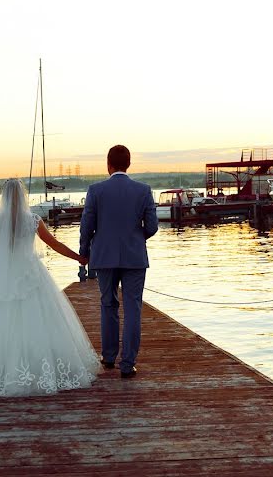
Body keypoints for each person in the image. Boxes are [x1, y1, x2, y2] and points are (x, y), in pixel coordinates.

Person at [0, 178, 99, 397]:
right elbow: (55, 245)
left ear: (3, 197)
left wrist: (4, 262)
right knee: (37, 322)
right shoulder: (33, 220)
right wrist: (80, 258)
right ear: (23, 197)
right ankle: (34, 368)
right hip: (29, 274)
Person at [79, 145, 158, 379]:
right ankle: (128, 364)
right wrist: (135, 237)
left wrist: (85, 253)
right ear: (129, 164)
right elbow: (152, 227)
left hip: (104, 257)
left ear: (108, 164)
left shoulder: (96, 190)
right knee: (133, 307)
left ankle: (109, 356)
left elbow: (87, 226)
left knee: (108, 304)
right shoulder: (143, 190)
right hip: (134, 257)